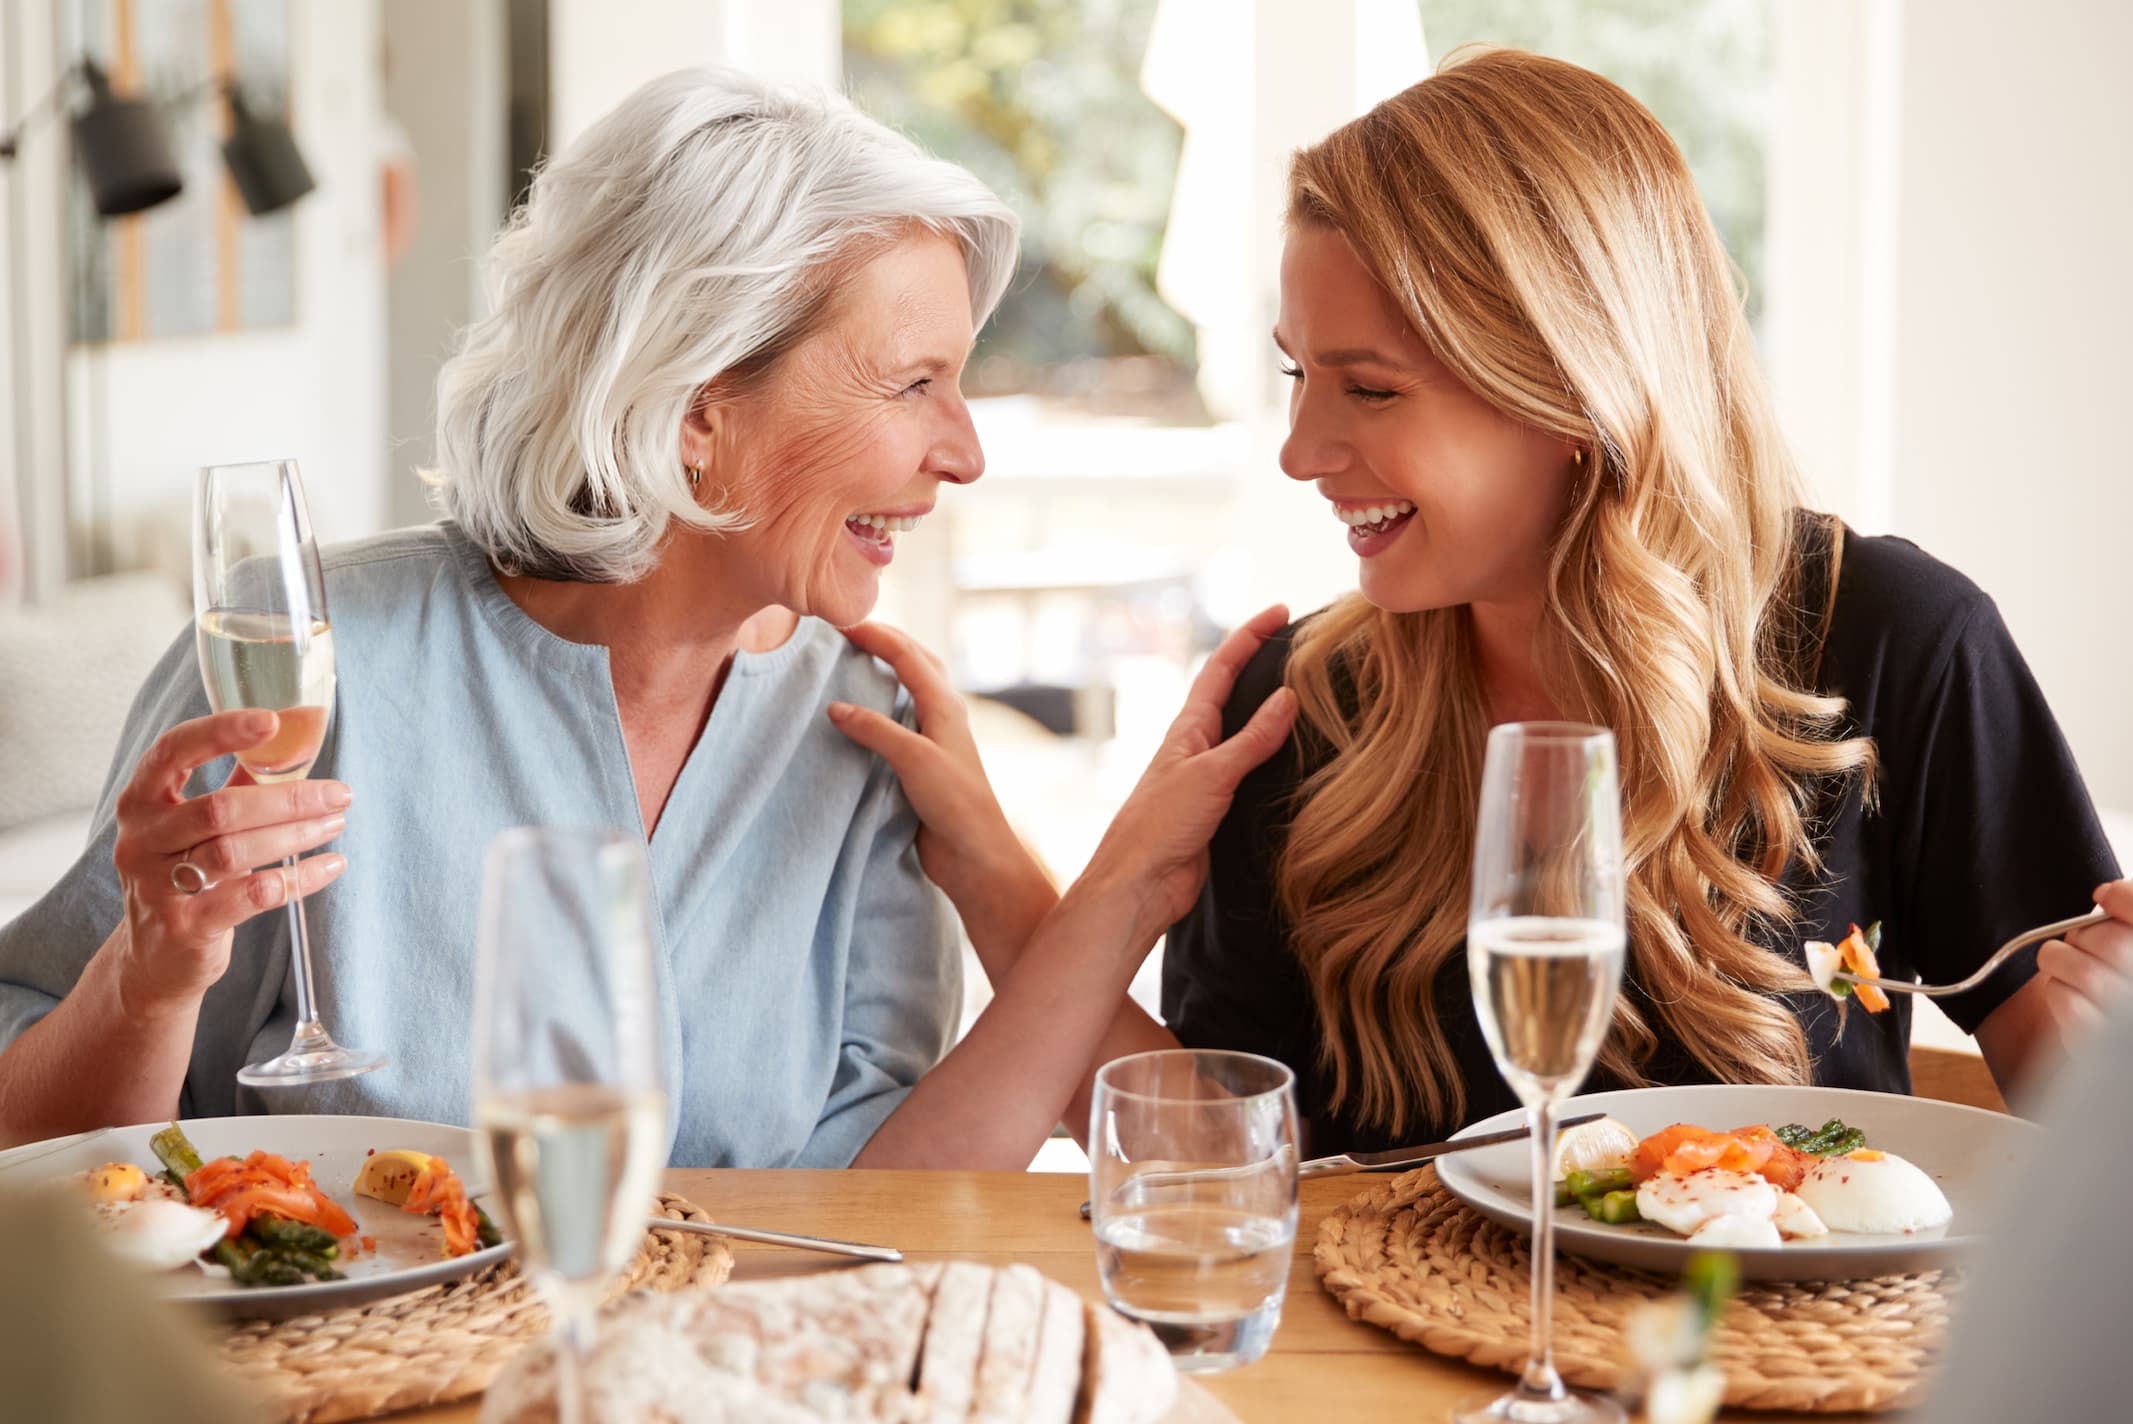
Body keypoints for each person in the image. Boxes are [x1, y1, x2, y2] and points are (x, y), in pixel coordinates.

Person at [846, 47, 2130, 1159]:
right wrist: (997, 870)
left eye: (1370, 388)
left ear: (1570, 389)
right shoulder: (1298, 703)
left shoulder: (1893, 638)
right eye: (1299, 374)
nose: (1300, 449)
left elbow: (2080, 1115)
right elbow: (1236, 1154)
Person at [0, 67, 1294, 1170]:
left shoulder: (863, 724)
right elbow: (41, 1159)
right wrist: (149, 977)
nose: (962, 454)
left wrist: (1109, 888)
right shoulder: (319, 656)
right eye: (913, 384)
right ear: (691, 416)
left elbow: (881, 1203)